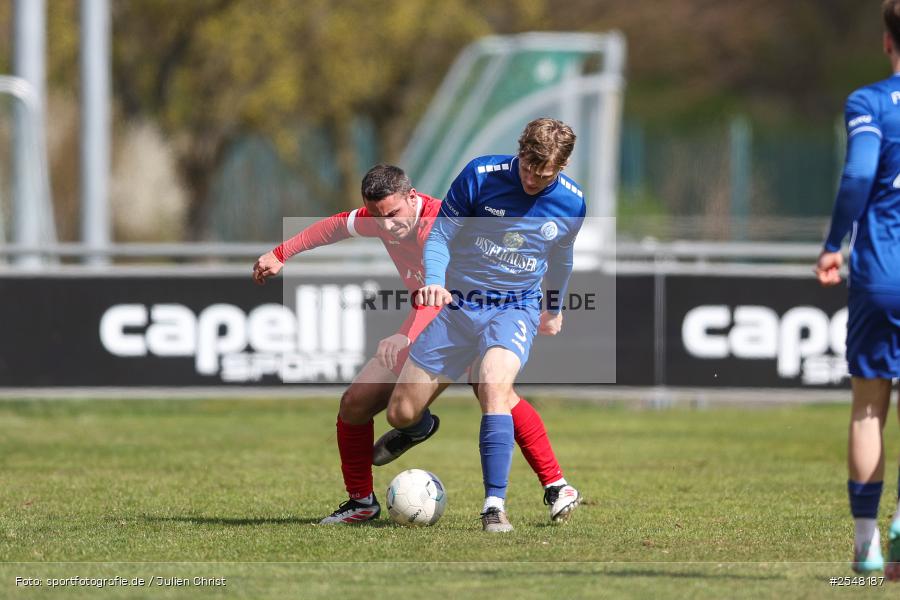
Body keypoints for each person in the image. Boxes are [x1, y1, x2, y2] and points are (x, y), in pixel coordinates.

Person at [253, 164, 580, 525]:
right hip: (430, 323)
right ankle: (363, 498)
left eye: (393, 215)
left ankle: (551, 484)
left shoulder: (448, 221)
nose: (386, 225)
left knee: (493, 389)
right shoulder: (381, 217)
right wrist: (280, 254)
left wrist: (406, 335)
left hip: (468, 316)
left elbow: (449, 293)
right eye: (377, 218)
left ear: (412, 197)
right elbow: (333, 226)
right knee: (358, 403)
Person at [382, 118, 585, 532]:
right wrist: (435, 283)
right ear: (520, 152)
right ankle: (421, 430)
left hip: (515, 307)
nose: (531, 180)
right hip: (459, 307)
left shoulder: (572, 203)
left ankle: (494, 504)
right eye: (527, 168)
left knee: (493, 383)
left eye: (543, 175)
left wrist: (554, 307)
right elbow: (439, 237)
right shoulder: (480, 175)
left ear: (559, 169)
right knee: (400, 413)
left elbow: (562, 259)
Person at [816, 0, 900, 578]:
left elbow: (858, 175)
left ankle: (867, 547)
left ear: (888, 40)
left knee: (869, 406)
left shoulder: (869, 103)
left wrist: (831, 244)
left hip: (883, 272)